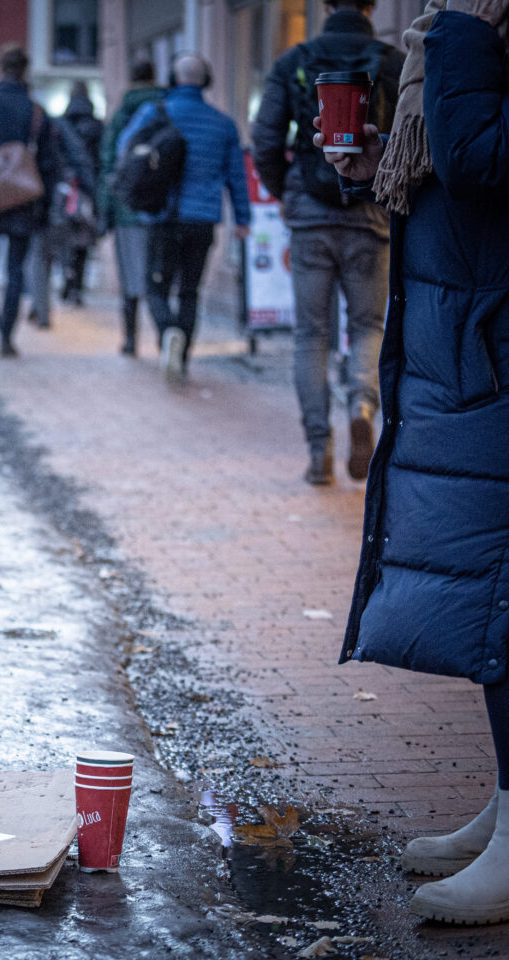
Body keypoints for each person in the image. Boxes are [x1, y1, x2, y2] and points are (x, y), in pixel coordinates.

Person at [331, 0, 509, 927]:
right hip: (465, 344)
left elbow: (484, 157)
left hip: (491, 343)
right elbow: (455, 160)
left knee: (505, 598)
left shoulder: (470, 33)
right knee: (486, 597)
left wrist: (455, 48)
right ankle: (505, 804)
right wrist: (378, 162)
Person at [251, 0, 405, 486]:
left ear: (325, 5)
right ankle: (361, 404)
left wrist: (287, 189)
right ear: (372, 6)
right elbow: (411, 136)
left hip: (310, 213)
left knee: (310, 335)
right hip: (372, 211)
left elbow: (265, 138)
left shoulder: (295, 61)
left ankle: (319, 449)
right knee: (367, 325)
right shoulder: (395, 61)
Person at [118, 54, 251, 383]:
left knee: (155, 287)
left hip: (163, 216)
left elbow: (126, 148)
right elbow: (237, 176)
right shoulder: (223, 124)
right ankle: (183, 358)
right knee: (190, 291)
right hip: (202, 219)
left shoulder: (154, 112)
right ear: (206, 81)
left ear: (172, 79)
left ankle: (167, 333)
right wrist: (243, 219)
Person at [0, 44, 92, 357]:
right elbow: (49, 164)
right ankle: (6, 337)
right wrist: (43, 208)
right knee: (16, 269)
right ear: (25, 71)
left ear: (0, 69)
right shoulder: (34, 111)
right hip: (22, 200)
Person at [99, 61, 165, 355]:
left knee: (131, 278)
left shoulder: (121, 114)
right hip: (163, 207)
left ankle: (130, 341)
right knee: (160, 275)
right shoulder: (166, 108)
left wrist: (105, 210)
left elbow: (108, 164)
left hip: (127, 209)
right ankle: (165, 337)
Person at [56, 81, 104, 307]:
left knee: (65, 238)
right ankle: (77, 287)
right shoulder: (97, 126)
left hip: (65, 190)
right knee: (83, 241)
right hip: (88, 190)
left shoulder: (61, 125)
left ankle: (68, 278)